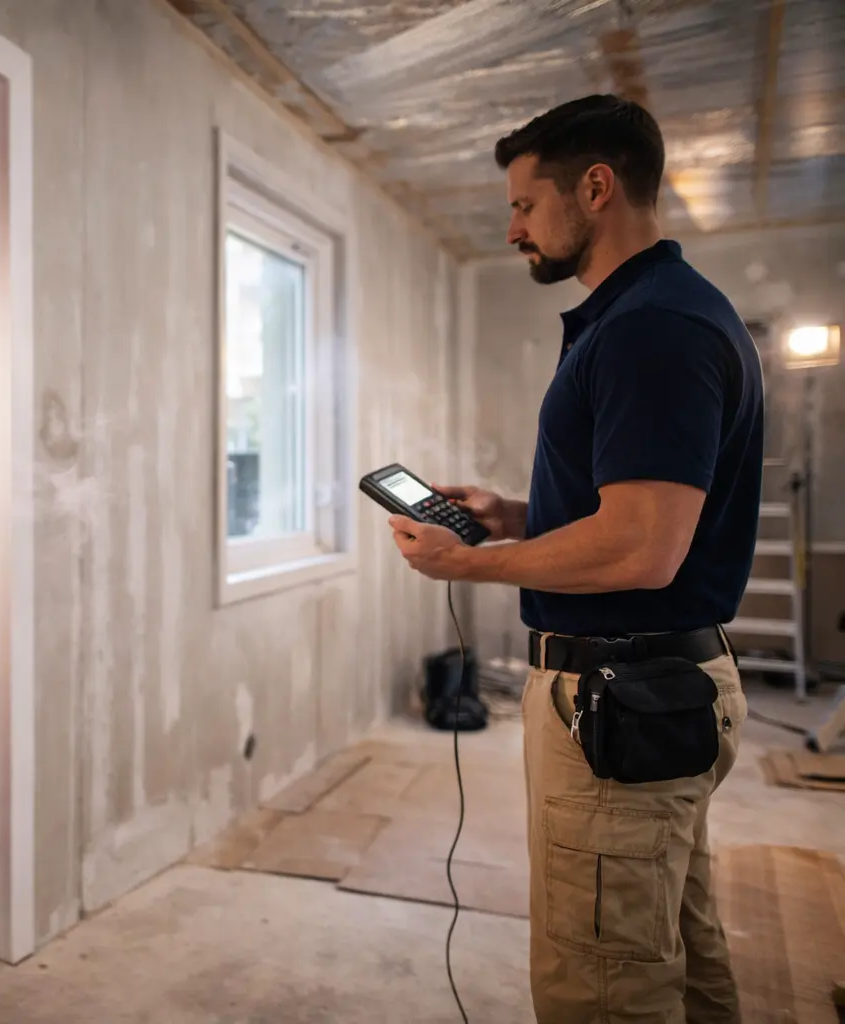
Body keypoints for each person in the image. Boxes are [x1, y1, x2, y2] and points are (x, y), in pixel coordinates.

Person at [387, 94, 762, 1023]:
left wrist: (465, 566)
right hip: (651, 696)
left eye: (523, 203)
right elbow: (631, 508)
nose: (511, 227)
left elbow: (641, 547)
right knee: (674, 943)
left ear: (595, 188)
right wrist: (512, 514)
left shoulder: (651, 329)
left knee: (602, 988)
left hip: (620, 705)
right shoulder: (653, 315)